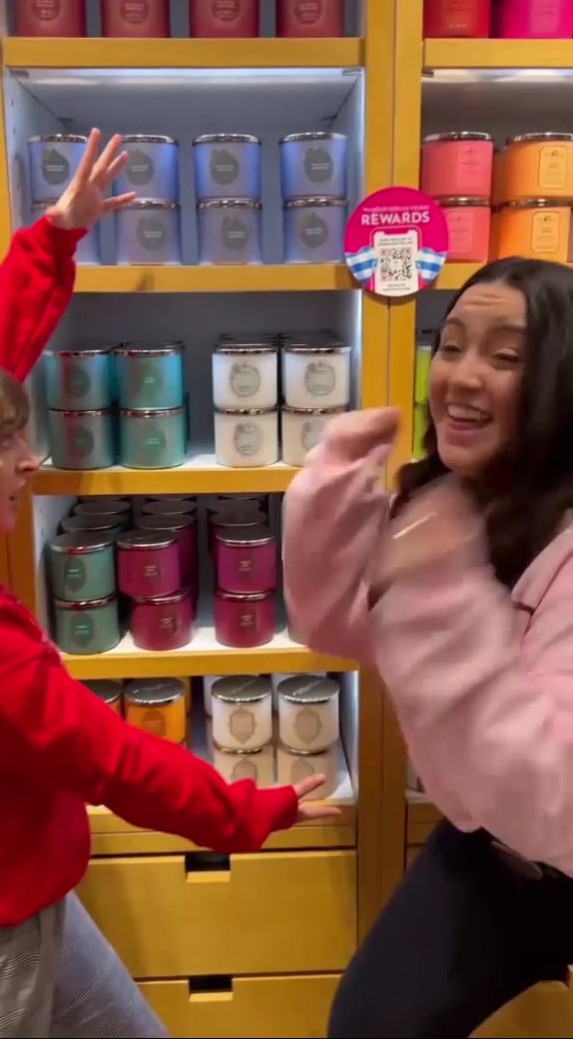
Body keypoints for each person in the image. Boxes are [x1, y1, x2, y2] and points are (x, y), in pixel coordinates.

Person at [0, 129, 338, 1039]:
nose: (32, 458)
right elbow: (110, 758)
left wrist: (54, 237)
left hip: (26, 883)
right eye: (6, 444)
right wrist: (247, 810)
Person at [283, 257, 573, 1039]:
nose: (462, 376)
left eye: (506, 356)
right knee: (370, 1024)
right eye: (451, 346)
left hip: (552, 824)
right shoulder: (459, 503)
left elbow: (555, 798)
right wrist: (332, 499)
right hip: (494, 843)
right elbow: (344, 629)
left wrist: (440, 598)